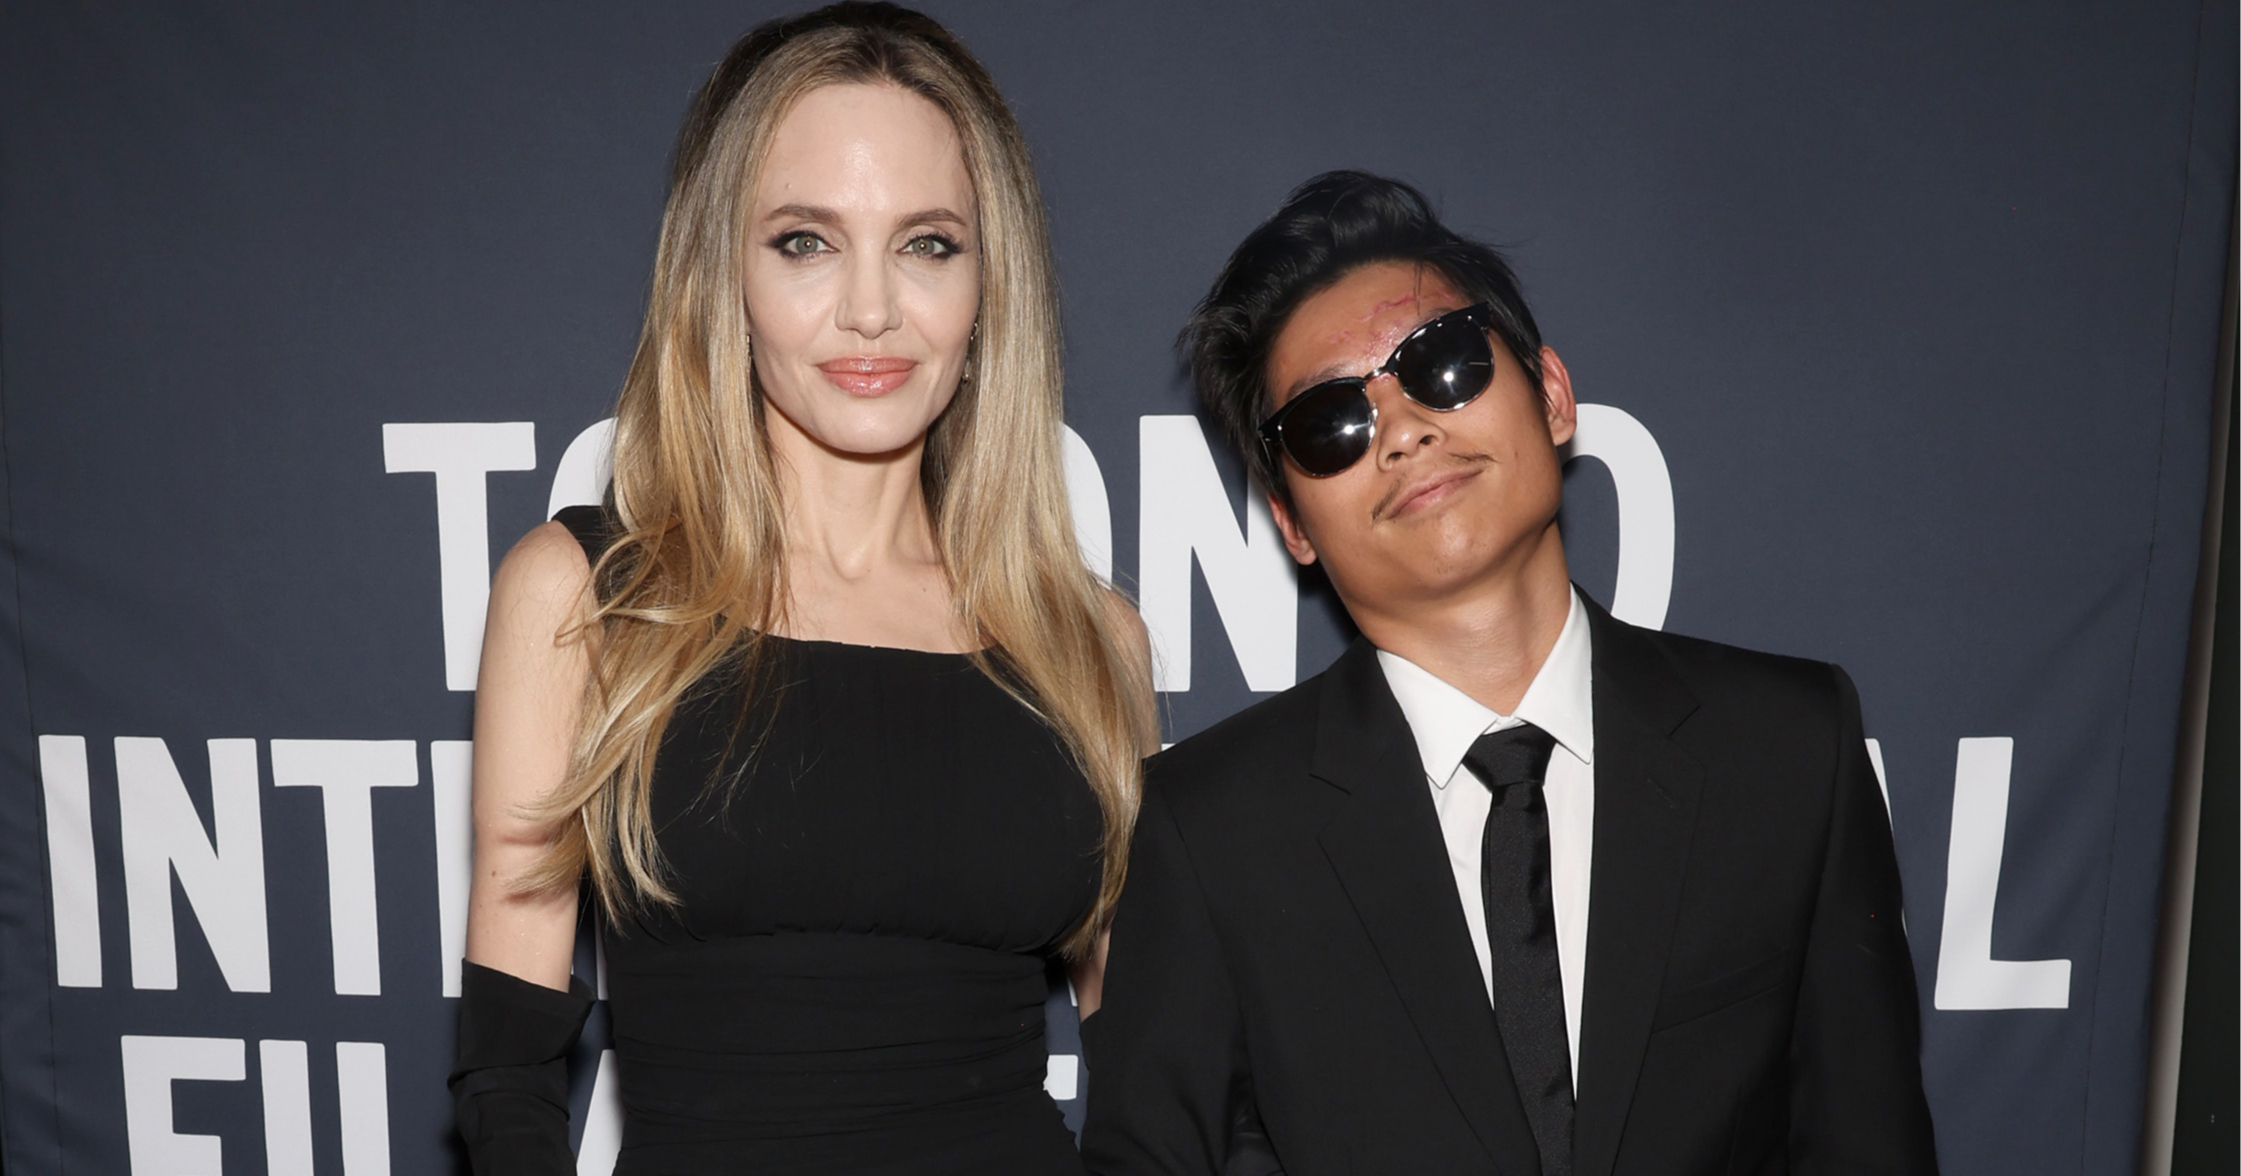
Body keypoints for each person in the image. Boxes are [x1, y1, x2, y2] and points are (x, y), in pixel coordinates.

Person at [1080, 171, 1938, 1176]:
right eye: (1329, 422)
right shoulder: (1207, 830)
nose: (1403, 429)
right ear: (1291, 525)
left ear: (1554, 395)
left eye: (1441, 362)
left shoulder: (1788, 748)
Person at [446, 6, 1157, 1173]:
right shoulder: (587, 599)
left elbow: (1150, 1063)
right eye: (805, 241)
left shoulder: (1087, 641)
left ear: (991, 289)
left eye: (928, 244)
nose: (871, 308)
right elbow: (508, 1066)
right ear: (720, 276)